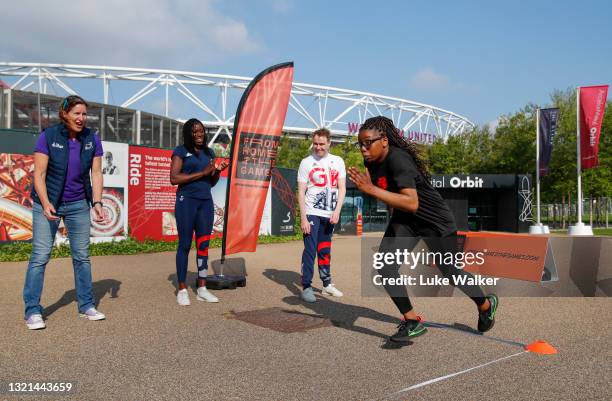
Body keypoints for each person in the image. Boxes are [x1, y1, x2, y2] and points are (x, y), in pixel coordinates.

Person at [347, 116, 498, 343]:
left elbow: (411, 202)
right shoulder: (371, 162)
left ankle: (486, 305)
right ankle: (411, 321)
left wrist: (370, 190)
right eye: (360, 143)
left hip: (435, 222)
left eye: (368, 142)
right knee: (385, 267)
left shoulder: (400, 160)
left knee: (449, 272)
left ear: (384, 140)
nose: (363, 148)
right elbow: (395, 199)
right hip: (406, 220)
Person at [23, 95, 106, 330]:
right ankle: (32, 310)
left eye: (84, 114)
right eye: (76, 113)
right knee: (40, 256)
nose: (81, 119)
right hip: (47, 203)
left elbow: (97, 173)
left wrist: (97, 202)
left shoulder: (92, 139)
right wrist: (47, 202)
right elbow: (38, 174)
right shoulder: (48, 136)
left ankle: (86, 305)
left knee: (82, 256)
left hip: (79, 203)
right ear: (64, 114)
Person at [170, 118, 228, 306]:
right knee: (185, 245)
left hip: (205, 202)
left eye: (201, 131)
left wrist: (216, 171)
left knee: (203, 245)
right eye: (195, 132)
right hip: (186, 201)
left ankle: (202, 288)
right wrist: (202, 173)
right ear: (188, 133)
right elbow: (174, 178)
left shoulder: (209, 152)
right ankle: (182, 288)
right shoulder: (180, 151)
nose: (199, 134)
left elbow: (210, 182)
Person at [297, 128, 346, 302]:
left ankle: (326, 285)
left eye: (322, 144)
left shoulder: (338, 161)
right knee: (310, 251)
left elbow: (342, 188)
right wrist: (303, 218)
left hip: (329, 214)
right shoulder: (306, 162)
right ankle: (307, 287)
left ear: (329, 143)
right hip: (312, 212)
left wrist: (337, 211)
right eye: (316, 144)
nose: (318, 147)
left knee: (325, 250)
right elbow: (301, 191)